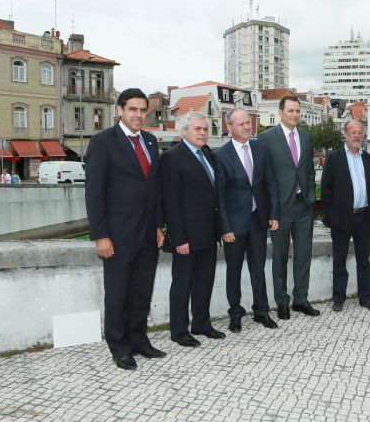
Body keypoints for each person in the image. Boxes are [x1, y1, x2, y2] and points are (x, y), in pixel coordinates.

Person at [85, 88, 165, 370]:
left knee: (142, 291)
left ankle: (139, 340)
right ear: (119, 110)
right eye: (133, 109)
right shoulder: (102, 142)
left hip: (146, 233)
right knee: (118, 293)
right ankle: (119, 347)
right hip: (117, 235)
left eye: (143, 110)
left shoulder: (151, 142)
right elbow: (94, 193)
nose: (139, 115)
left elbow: (153, 188)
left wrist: (157, 225)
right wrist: (101, 236)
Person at [161, 111, 223, 348]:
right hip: (186, 236)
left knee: (204, 282)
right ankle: (178, 330)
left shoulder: (207, 154)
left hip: (208, 233)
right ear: (183, 131)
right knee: (182, 284)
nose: (202, 133)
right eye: (197, 129)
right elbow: (171, 202)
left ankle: (201, 323)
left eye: (205, 129)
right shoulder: (172, 157)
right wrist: (179, 238)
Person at [215, 109, 280, 331]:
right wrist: (225, 227)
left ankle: (261, 311)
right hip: (234, 225)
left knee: (258, 268)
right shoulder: (220, 155)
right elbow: (220, 196)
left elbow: (270, 183)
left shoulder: (261, 149)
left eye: (248, 123)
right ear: (230, 127)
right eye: (241, 124)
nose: (246, 127)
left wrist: (274, 214)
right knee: (233, 270)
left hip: (258, 220)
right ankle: (235, 314)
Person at [257, 95, 320, 319]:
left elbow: (309, 171)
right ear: (281, 112)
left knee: (304, 255)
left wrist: (311, 196)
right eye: (291, 111)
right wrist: (269, 210)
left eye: (297, 111)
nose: (295, 115)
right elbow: (261, 176)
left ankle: (301, 300)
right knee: (280, 257)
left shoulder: (306, 136)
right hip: (280, 210)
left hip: (304, 206)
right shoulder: (266, 138)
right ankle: (282, 301)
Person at [321, 120, 370, 313]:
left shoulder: (369, 159)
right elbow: (326, 189)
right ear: (345, 135)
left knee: (364, 260)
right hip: (341, 218)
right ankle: (338, 298)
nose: (356, 136)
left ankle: (366, 298)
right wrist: (331, 215)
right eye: (353, 132)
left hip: (363, 217)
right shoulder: (334, 158)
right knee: (340, 259)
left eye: (360, 133)